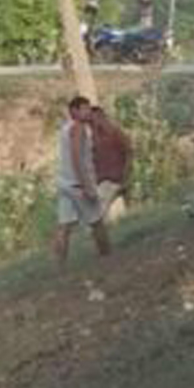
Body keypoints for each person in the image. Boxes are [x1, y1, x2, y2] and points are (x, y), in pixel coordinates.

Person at [54, 96, 112, 264]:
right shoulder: (78, 128)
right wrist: (86, 185)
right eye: (84, 109)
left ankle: (59, 265)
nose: (88, 112)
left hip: (64, 182)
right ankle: (108, 257)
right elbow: (76, 157)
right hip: (78, 185)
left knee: (64, 225)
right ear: (74, 111)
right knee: (97, 221)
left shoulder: (66, 128)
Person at [87, 104, 133, 222]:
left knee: (97, 216)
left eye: (94, 119)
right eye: (90, 121)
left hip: (113, 180)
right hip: (103, 181)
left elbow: (129, 152)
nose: (92, 123)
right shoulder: (93, 139)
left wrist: (125, 176)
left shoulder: (115, 132)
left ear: (102, 117)